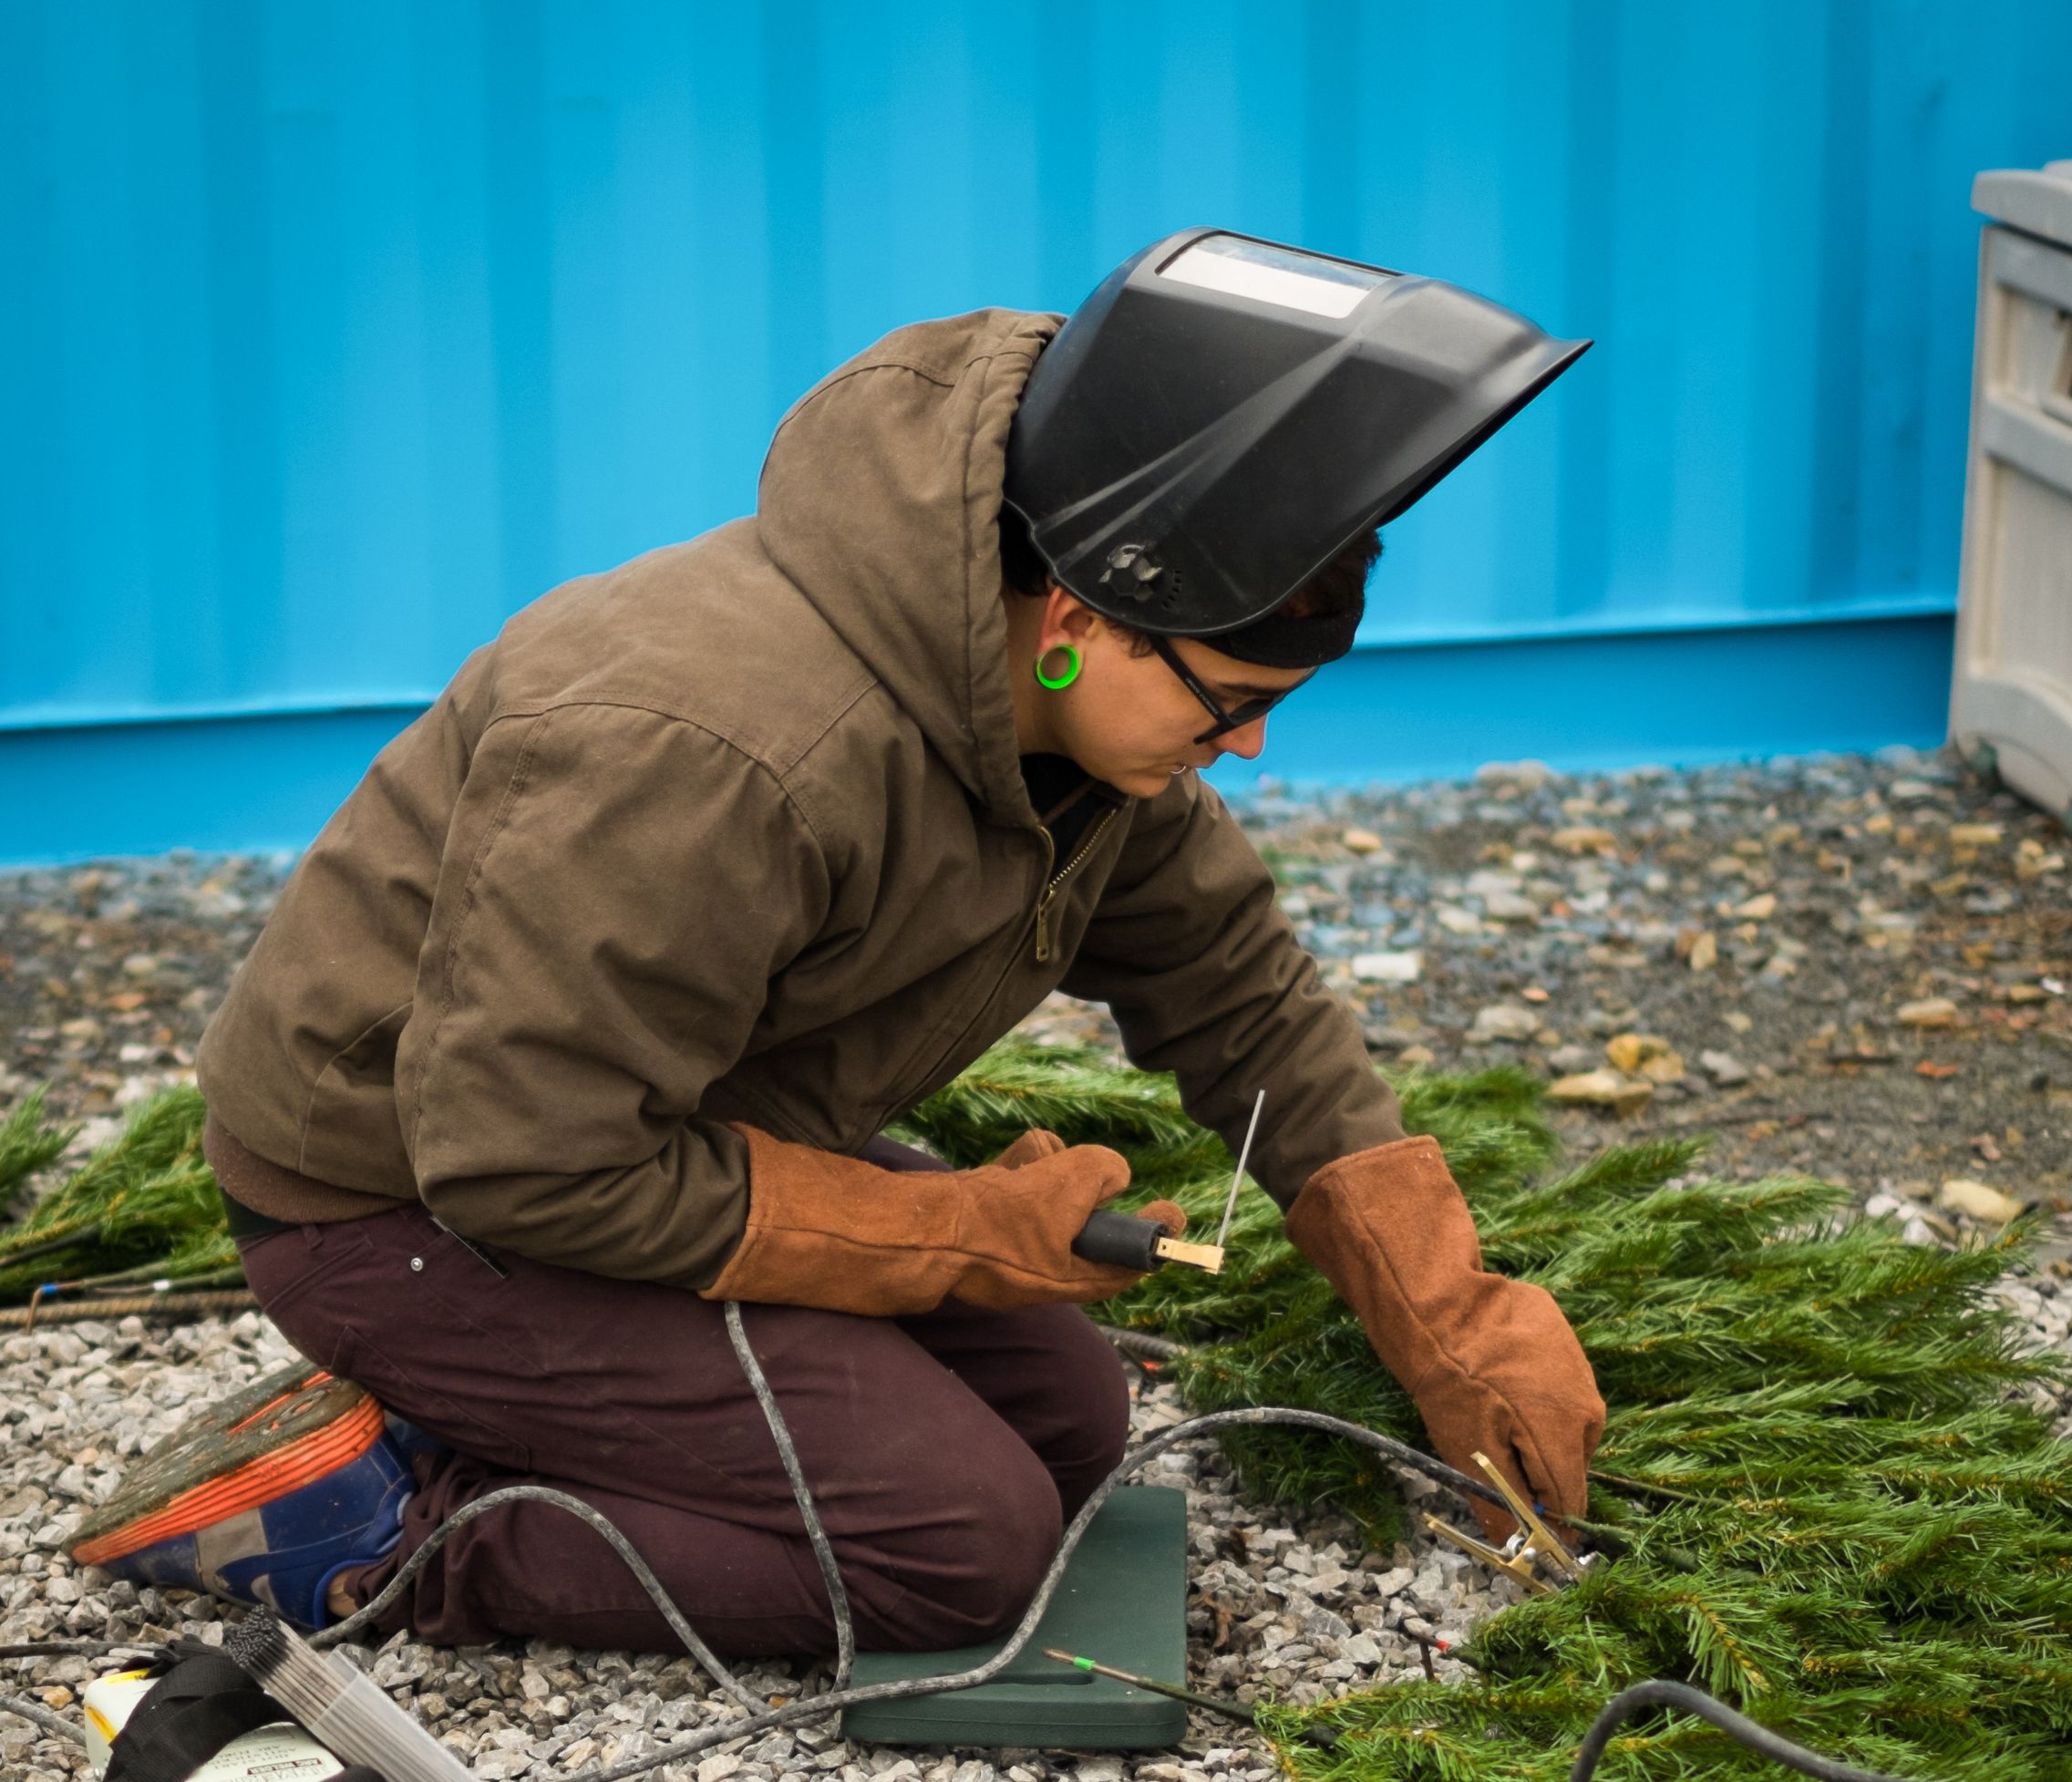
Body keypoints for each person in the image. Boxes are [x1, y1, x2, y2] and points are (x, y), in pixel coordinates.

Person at [75, 230, 1604, 1656]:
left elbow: (1242, 995)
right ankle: (381, 1528)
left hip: (667, 1136)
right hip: (405, 1206)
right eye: (1229, 702)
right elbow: (523, 1160)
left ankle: (524, 1417)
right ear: (1083, 612)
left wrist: (1450, 1320)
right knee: (960, 1549)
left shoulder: (1066, 734)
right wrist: (954, 1232)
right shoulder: (715, 754)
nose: (1252, 747)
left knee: (1071, 1424)